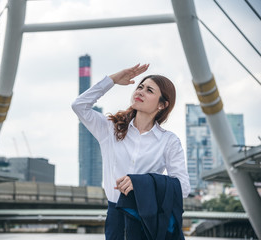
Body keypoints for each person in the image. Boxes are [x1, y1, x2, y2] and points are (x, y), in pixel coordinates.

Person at [71, 63, 191, 239]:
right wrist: (112, 80)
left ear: (162, 105)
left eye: (149, 90)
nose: (140, 91)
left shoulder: (169, 141)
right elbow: (79, 105)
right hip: (116, 218)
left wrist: (140, 182)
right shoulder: (110, 129)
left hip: (148, 220)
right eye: (140, 87)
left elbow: (184, 187)